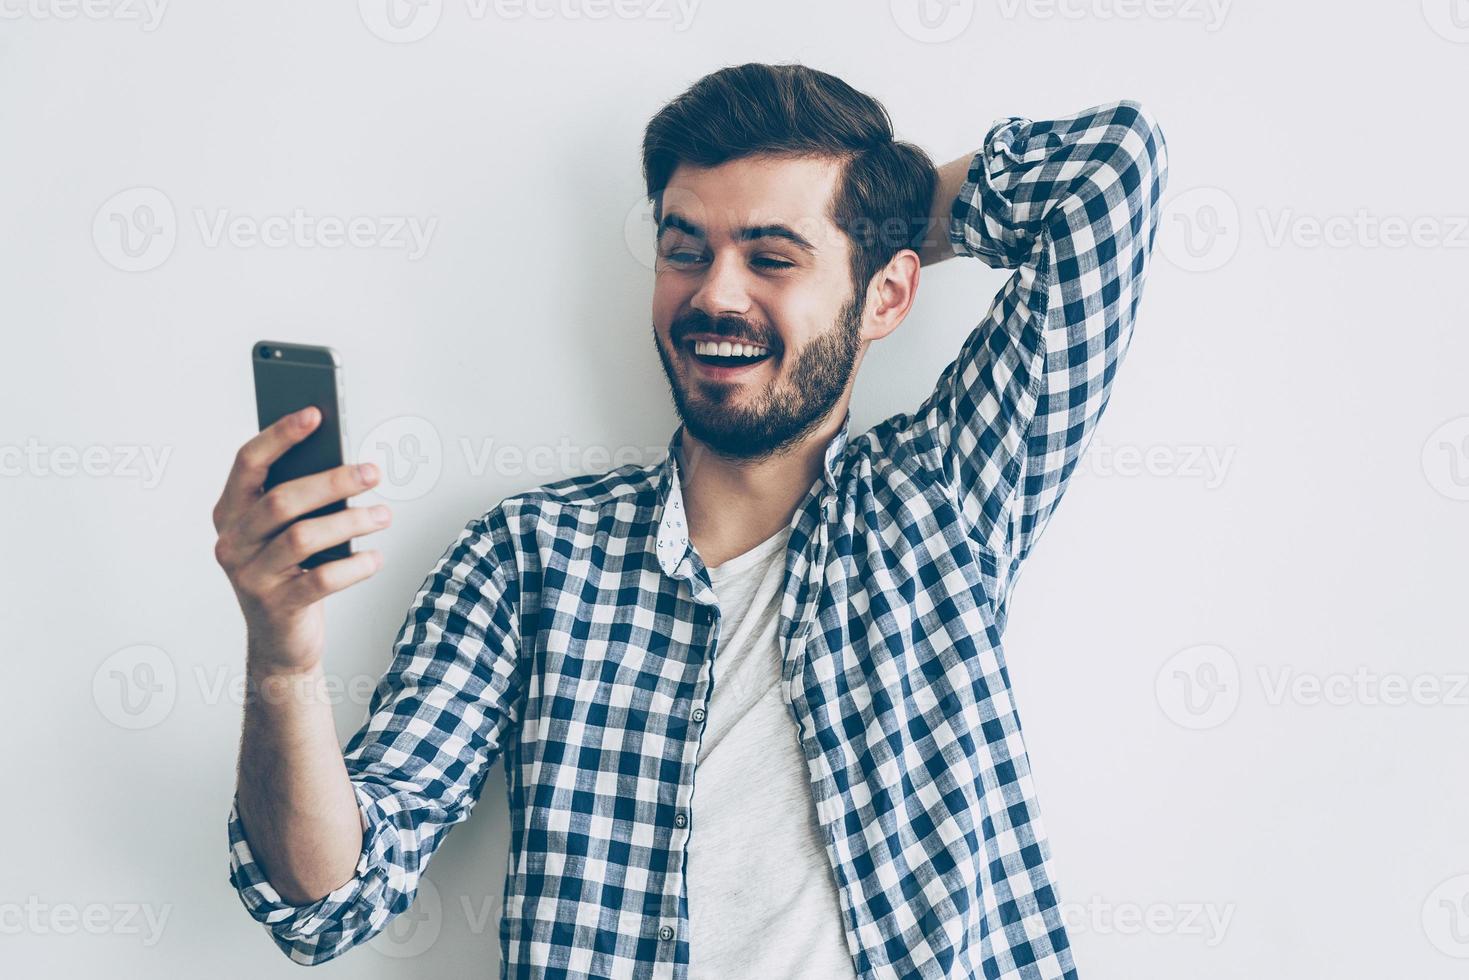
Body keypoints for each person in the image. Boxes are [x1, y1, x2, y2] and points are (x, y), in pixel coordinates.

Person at [212, 61, 1168, 979]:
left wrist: (874, 222)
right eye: (684, 250)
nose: (714, 292)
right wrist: (284, 658)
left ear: (886, 296)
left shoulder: (944, 498)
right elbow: (327, 898)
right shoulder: (531, 559)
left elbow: (1108, 170)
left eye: (772, 256)